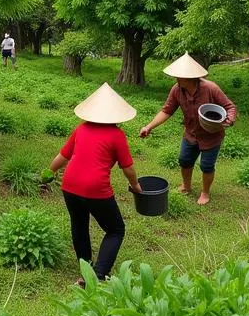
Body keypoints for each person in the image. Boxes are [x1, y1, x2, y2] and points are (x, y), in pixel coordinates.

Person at [49, 82, 140, 285]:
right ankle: (98, 275)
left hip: (69, 185)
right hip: (95, 188)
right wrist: (136, 186)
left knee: (79, 224)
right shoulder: (117, 135)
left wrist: (49, 172)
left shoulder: (81, 129)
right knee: (116, 229)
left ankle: (86, 267)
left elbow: (62, 157)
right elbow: (128, 169)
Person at [139, 53, 237, 205]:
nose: (176, 79)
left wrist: (230, 119)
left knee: (206, 165)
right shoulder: (177, 90)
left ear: (190, 77)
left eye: (179, 76)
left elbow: (229, 106)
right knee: (184, 160)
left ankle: (205, 193)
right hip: (191, 133)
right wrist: (149, 126)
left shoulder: (210, 88)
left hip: (212, 135)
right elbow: (167, 110)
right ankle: (186, 186)